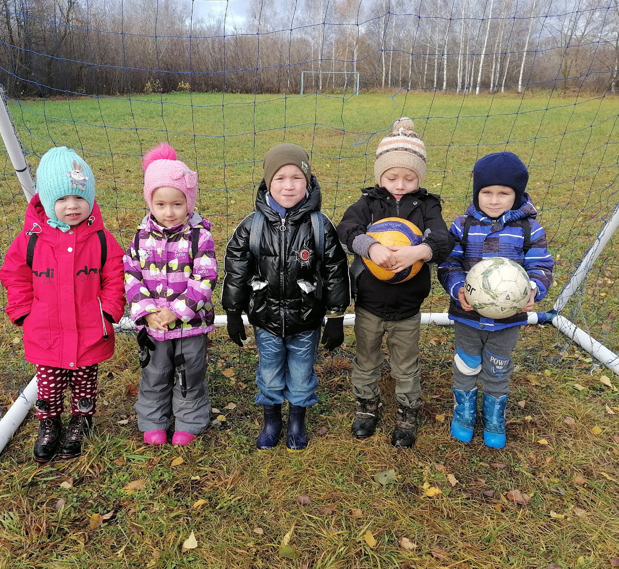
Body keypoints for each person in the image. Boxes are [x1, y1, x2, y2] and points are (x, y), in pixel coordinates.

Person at [0, 146, 125, 463]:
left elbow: (116, 275)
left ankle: (81, 422)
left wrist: (109, 311)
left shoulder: (100, 239)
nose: (72, 206)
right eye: (62, 199)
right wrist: (25, 313)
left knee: (85, 384)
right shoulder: (31, 238)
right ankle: (49, 424)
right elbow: (14, 275)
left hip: (89, 332)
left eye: (79, 198)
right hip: (46, 332)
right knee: (49, 386)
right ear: (45, 199)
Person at [221, 143, 350, 451]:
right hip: (265, 318)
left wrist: (335, 317)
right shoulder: (251, 226)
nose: (288, 185)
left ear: (308, 181)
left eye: (296, 177)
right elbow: (236, 271)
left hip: (306, 320)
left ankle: (296, 419)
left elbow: (335, 271)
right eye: (280, 178)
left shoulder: (320, 226)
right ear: (268, 182)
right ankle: (271, 420)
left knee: (302, 374)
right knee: (269, 372)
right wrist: (233, 313)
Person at [337, 118, 455, 448]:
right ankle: (366, 407)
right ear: (380, 175)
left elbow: (443, 241)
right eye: (392, 176)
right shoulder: (368, 204)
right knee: (366, 358)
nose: (399, 183)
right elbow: (345, 230)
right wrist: (371, 247)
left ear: (420, 177)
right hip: (370, 302)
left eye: (409, 177)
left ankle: (407, 412)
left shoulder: (427, 205)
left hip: (407, 306)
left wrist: (419, 251)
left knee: (406, 364)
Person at [438, 151, 554, 448]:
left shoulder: (529, 228)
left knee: (498, 368)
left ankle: (494, 418)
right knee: (466, 364)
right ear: (477, 193)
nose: (493, 200)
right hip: (468, 316)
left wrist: (532, 289)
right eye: (486, 192)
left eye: (503, 193)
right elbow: (448, 264)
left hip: (508, 321)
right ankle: (463, 413)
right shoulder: (462, 225)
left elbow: (542, 267)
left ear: (517, 194)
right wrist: (459, 288)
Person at [124, 143, 218, 447]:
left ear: (188, 202)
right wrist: (148, 311)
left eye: (177, 204)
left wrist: (178, 311)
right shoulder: (139, 238)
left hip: (190, 325)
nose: (169, 212)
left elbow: (205, 278)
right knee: (154, 372)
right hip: (153, 326)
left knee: (189, 373)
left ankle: (189, 419)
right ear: (150, 201)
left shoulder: (199, 237)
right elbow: (131, 276)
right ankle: (153, 419)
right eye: (161, 204)